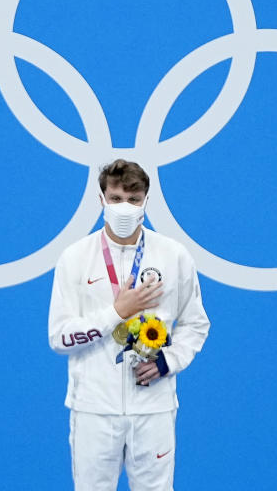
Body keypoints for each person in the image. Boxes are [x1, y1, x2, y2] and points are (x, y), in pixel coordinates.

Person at [48, 159, 210, 491]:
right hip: (94, 409)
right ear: (101, 199)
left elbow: (195, 324)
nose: (124, 208)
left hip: (153, 408)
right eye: (116, 198)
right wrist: (116, 313)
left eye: (133, 200)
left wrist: (168, 362)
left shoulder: (174, 256)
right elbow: (59, 337)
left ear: (146, 202)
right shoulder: (75, 257)